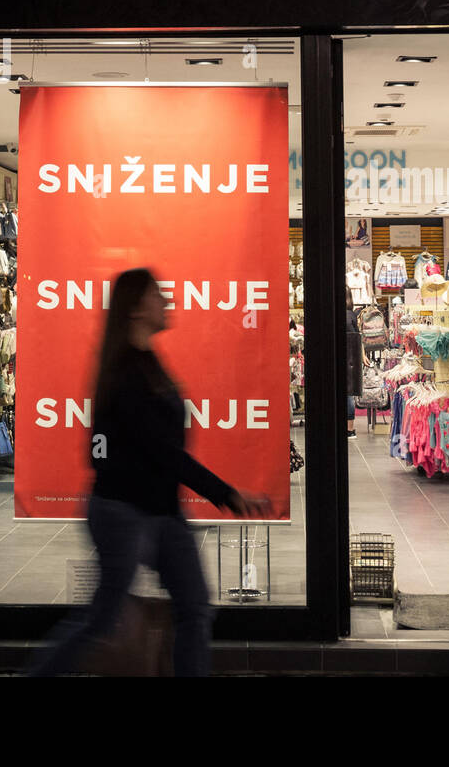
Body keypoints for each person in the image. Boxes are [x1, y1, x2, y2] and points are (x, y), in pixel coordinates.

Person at [28, 268, 272, 677]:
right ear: (138, 308)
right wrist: (228, 494)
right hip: (123, 513)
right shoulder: (126, 373)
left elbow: (164, 448)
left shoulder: (145, 360)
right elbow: (164, 452)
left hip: (160, 510)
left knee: (194, 608)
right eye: (158, 294)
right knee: (101, 620)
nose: (168, 300)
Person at [345, 293, 362, 438]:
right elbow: (357, 337)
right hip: (350, 358)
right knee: (348, 393)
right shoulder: (351, 315)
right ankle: (349, 429)